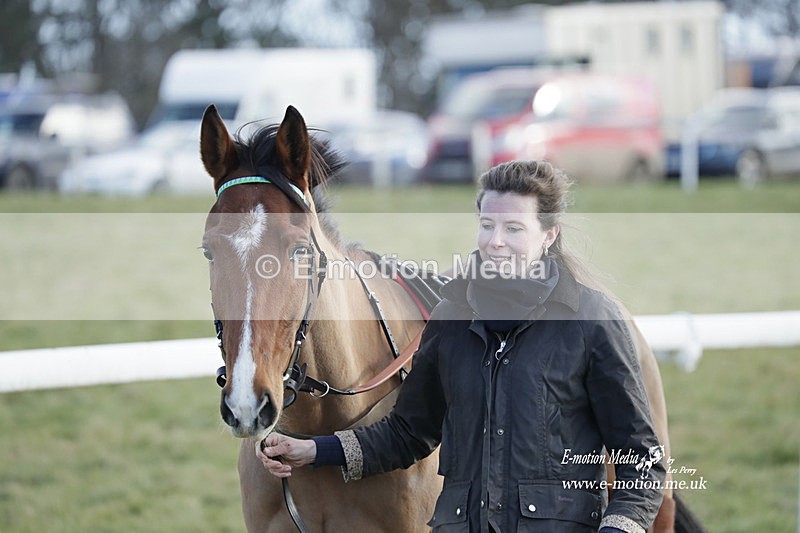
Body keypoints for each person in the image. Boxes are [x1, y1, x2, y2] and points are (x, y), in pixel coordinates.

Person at [257, 160, 666, 532]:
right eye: (487, 225)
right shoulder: (451, 317)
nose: (496, 241)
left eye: (514, 228)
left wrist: (618, 530)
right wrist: (313, 450)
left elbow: (642, 464)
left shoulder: (592, 321)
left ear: (549, 236)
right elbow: (408, 433)